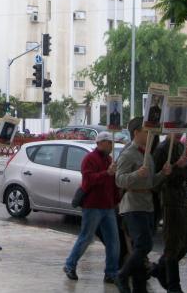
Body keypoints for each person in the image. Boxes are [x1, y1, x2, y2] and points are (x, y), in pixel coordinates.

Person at [115, 118, 171, 293]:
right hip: (132, 205)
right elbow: (119, 180)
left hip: (147, 205)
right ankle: (122, 275)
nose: (150, 136)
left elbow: (151, 182)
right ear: (136, 133)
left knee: (142, 249)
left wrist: (163, 173)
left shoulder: (147, 155)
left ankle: (139, 287)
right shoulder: (128, 154)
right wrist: (136, 174)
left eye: (152, 133)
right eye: (147, 132)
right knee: (144, 245)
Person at [151, 133, 187, 292]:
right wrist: (175, 166)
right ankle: (173, 285)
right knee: (173, 242)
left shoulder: (180, 146)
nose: (180, 132)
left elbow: (185, 172)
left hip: (183, 197)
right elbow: (156, 179)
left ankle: (161, 268)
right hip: (170, 199)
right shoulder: (162, 149)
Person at [63, 132, 120, 284]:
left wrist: (116, 200)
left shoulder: (109, 160)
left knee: (113, 240)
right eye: (109, 142)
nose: (111, 146)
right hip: (93, 206)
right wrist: (106, 173)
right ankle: (70, 264)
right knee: (86, 237)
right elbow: (88, 181)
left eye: (111, 143)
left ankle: (111, 272)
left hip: (108, 206)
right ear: (100, 143)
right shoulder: (89, 159)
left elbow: (112, 183)